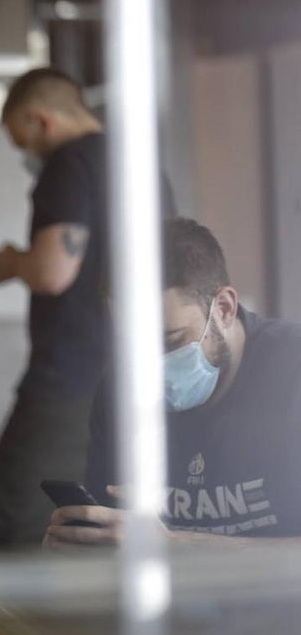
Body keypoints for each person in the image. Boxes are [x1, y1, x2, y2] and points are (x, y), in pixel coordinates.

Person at [0, 67, 175, 549]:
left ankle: (0, 625)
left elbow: (52, 270)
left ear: (41, 121)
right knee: (97, 518)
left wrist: (10, 262)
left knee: (12, 514)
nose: (26, 155)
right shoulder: (142, 164)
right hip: (136, 372)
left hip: (70, 373)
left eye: (23, 141)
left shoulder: (69, 163)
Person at [47, 218, 301, 548]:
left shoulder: (290, 371)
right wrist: (82, 544)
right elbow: (115, 533)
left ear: (223, 309)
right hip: (173, 598)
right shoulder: (118, 391)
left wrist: (178, 545)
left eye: (170, 339)